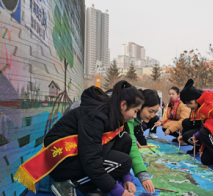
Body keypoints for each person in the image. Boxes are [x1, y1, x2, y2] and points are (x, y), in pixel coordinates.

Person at [14, 81, 155, 196]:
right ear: (123, 105)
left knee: (125, 140)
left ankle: (92, 184)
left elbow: (119, 145)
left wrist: (126, 179)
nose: (134, 116)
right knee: (124, 161)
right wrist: (117, 191)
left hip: (77, 155)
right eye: (135, 111)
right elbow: (91, 160)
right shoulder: (95, 117)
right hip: (62, 162)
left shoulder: (113, 115)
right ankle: (69, 184)